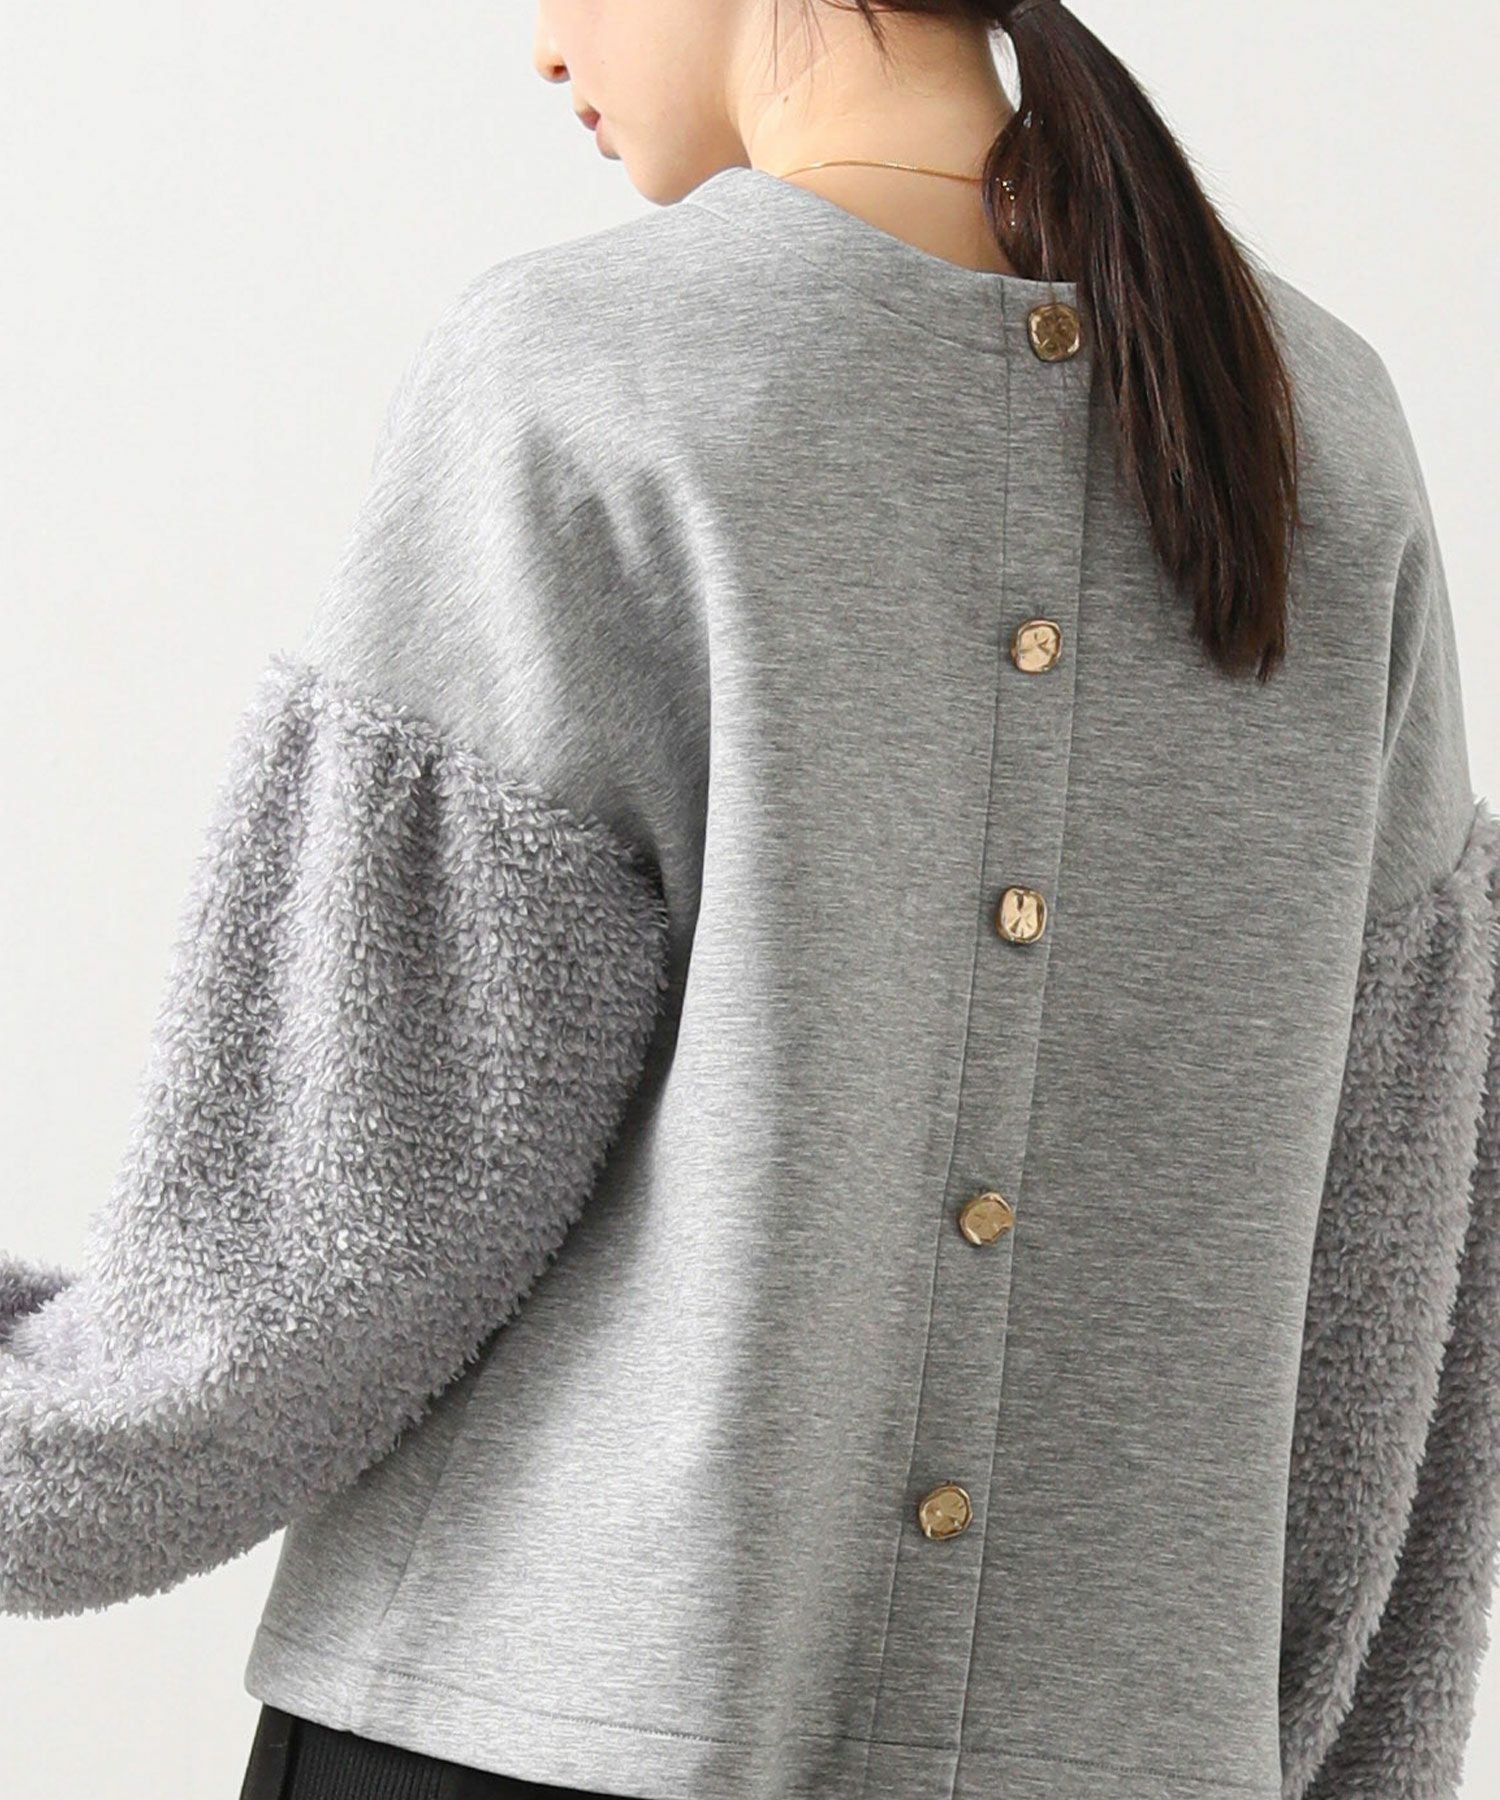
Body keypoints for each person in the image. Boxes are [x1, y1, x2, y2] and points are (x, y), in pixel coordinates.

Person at [3, 1, 1497, 1798]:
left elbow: (322, 1257)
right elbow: (1400, 1308)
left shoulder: (588, 370)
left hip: (530, 1739)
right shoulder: (1327, 429)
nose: (542, 42)